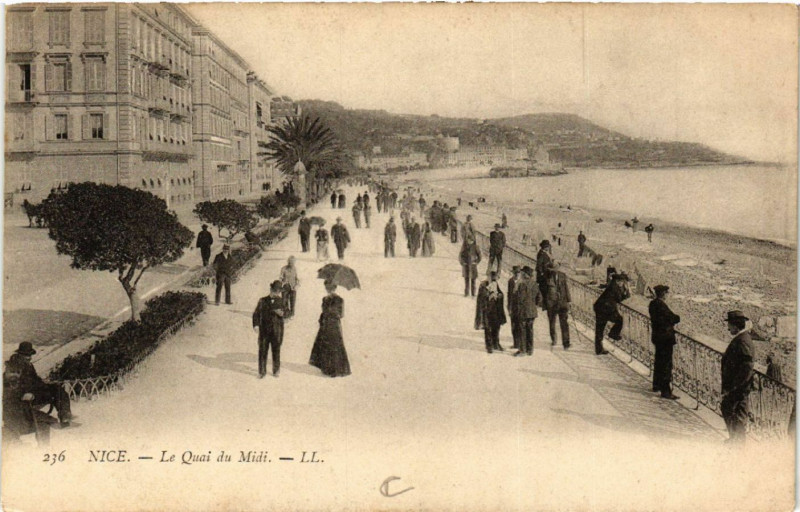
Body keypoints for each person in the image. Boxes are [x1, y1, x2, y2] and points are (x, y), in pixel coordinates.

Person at [3, 342, 72, 432]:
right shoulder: (14, 366)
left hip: (34, 391)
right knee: (55, 391)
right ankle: (61, 417)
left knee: (57, 388)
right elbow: (13, 385)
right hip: (25, 396)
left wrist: (44, 385)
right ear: (20, 354)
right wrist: (27, 393)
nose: (29, 357)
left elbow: (35, 379)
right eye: (26, 355)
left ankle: (65, 416)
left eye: (30, 355)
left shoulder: (28, 364)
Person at [721, 310, 755, 444]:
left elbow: (747, 367)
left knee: (736, 414)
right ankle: (735, 440)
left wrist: (735, 386)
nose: (728, 328)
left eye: (729, 325)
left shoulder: (742, 341)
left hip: (738, 387)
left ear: (735, 325)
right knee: (731, 411)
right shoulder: (741, 338)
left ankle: (738, 443)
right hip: (737, 386)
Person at [309, 281, 351, 378]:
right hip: (328, 324)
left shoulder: (337, 299)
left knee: (333, 345)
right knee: (327, 345)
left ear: (334, 288)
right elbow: (340, 314)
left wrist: (330, 314)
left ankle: (332, 370)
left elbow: (341, 314)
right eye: (328, 288)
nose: (329, 290)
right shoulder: (327, 299)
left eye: (330, 288)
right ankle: (327, 369)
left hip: (332, 325)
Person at [648, 285, 680, 399]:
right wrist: (676, 317)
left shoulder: (652, 304)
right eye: (667, 293)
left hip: (657, 337)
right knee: (666, 365)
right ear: (664, 294)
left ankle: (656, 384)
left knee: (658, 361)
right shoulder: (661, 305)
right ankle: (666, 391)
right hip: (665, 339)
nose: (667, 295)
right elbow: (674, 318)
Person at [252, 281, 286, 378]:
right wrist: (256, 325)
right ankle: (262, 372)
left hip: (277, 330)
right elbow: (256, 314)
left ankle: (276, 370)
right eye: (275, 291)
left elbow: (288, 312)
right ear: (271, 290)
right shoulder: (262, 300)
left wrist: (282, 313)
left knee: (276, 351)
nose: (277, 293)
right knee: (262, 350)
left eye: (278, 292)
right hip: (264, 331)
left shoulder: (282, 301)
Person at [593, 272, 630, 355]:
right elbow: (620, 299)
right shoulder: (614, 288)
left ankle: (599, 349)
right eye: (622, 281)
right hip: (605, 310)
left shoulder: (613, 286)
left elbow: (619, 298)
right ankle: (613, 334)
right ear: (617, 281)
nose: (622, 283)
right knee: (619, 320)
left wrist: (625, 291)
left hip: (602, 308)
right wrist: (627, 290)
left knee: (599, 329)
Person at [513, 266, 542, 356]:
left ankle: (522, 350)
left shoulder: (522, 284)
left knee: (522, 330)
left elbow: (520, 298)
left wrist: (515, 290)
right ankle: (530, 350)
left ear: (525, 274)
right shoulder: (535, 284)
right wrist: (533, 305)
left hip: (523, 311)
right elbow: (540, 298)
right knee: (530, 330)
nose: (521, 274)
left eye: (522, 273)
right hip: (532, 311)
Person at [475, 272, 506, 353]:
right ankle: (489, 346)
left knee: (496, 327)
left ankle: (496, 344)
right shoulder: (483, 285)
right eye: (492, 278)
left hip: (495, 310)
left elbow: (500, 293)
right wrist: (489, 295)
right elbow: (481, 297)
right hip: (487, 310)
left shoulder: (495, 283)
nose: (493, 280)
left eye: (495, 279)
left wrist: (499, 295)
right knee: (488, 328)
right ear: (488, 277)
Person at [544, 262, 571, 350]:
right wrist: (545, 303)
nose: (553, 271)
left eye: (555, 269)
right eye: (552, 270)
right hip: (551, 304)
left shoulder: (562, 275)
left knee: (564, 323)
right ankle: (554, 339)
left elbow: (566, 288)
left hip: (562, 303)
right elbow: (543, 291)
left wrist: (569, 300)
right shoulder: (546, 276)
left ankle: (566, 343)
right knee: (552, 323)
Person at [507, 266, 523, 349]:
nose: (517, 274)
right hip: (513, 307)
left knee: (520, 326)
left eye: (518, 272)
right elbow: (509, 295)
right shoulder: (510, 281)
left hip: (520, 307)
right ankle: (516, 344)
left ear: (520, 273)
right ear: (513, 273)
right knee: (513, 326)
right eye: (515, 273)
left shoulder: (522, 282)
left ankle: (521, 344)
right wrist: (509, 307)